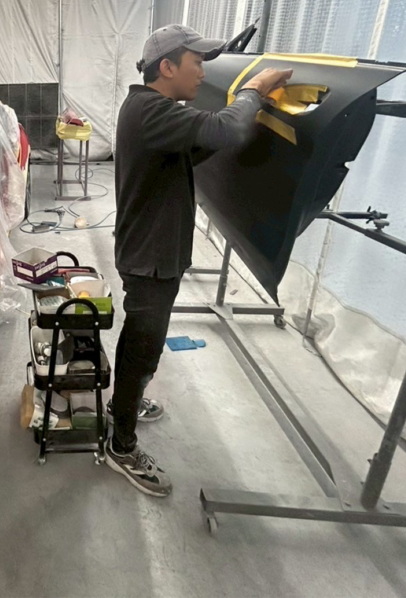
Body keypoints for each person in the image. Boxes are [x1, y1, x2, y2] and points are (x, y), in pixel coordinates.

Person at [104, 24, 292, 496]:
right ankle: (120, 445)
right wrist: (253, 89)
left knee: (141, 342)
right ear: (167, 67)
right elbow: (225, 130)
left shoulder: (152, 111)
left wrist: (243, 111)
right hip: (149, 257)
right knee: (143, 347)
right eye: (197, 63)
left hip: (151, 251)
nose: (203, 73)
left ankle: (124, 404)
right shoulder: (151, 110)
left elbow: (205, 143)